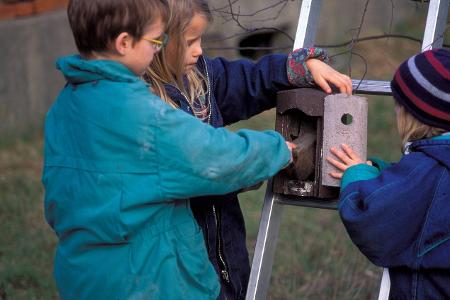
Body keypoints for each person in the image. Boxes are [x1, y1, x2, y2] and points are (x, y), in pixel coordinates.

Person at [42, 0, 301, 299]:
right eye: (155, 40)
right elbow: (213, 158)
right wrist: (277, 149)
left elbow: (57, 198)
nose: (158, 48)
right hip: (150, 280)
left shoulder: (63, 109)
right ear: (124, 43)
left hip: (85, 277)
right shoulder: (140, 113)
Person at [145, 0, 353, 299]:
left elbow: (251, 81)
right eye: (190, 41)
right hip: (176, 268)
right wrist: (273, 153)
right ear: (158, 42)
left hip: (225, 255)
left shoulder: (200, 77)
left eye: (201, 38)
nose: (200, 50)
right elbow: (210, 165)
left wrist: (299, 66)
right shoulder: (146, 108)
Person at [327, 48, 449, 299]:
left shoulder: (427, 170)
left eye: (398, 105)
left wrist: (357, 175)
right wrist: (381, 173)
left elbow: (371, 220)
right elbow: (424, 197)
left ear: (415, 115)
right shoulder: (435, 168)